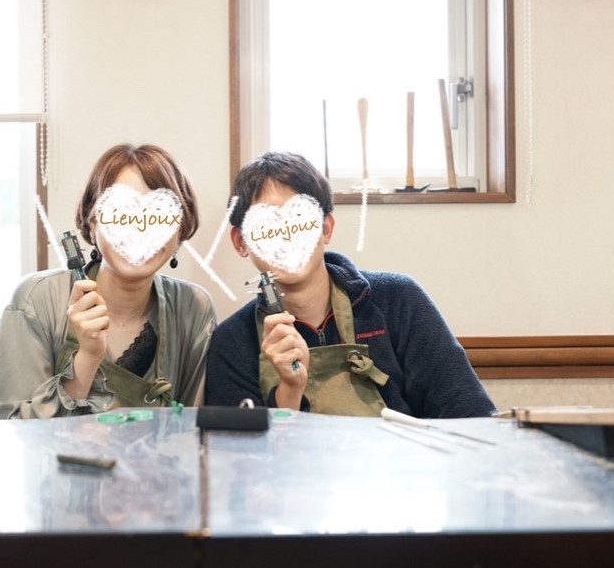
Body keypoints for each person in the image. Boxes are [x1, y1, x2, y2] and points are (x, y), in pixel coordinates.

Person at [205, 151, 496, 418]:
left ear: (326, 228)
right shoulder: (232, 341)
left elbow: (471, 415)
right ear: (241, 242)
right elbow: (238, 451)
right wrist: (289, 392)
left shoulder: (398, 301)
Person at [0, 143, 216, 419]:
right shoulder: (35, 300)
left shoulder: (193, 307)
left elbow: (193, 427)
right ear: (91, 222)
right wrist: (87, 357)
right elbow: (12, 429)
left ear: (181, 230)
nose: (139, 229)